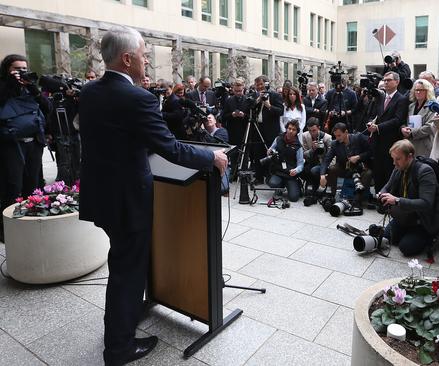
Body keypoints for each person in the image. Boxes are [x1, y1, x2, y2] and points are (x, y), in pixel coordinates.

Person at [78, 26, 228, 366]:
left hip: (103, 196)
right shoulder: (137, 97)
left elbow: (112, 139)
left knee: (123, 264)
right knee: (127, 271)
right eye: (144, 55)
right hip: (128, 200)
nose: (147, 61)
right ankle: (119, 348)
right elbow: (170, 148)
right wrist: (211, 157)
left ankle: (122, 322)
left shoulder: (89, 92)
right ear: (127, 58)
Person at [0, 54, 50, 242]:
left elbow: (47, 108)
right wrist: (11, 84)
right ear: (7, 70)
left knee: (33, 184)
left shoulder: (30, 89)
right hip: (12, 145)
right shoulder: (4, 88)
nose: (20, 72)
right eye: (16, 69)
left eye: (24, 68)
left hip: (34, 143)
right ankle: (6, 228)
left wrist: (33, 88)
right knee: (12, 186)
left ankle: (31, 221)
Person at [378, 140, 439, 256]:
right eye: (393, 159)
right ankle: (407, 233)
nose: (394, 163)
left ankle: (434, 235)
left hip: (423, 220)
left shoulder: (425, 171)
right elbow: (387, 186)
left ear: (409, 156)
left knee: (406, 248)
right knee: (386, 237)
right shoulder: (398, 168)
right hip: (405, 216)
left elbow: (426, 203)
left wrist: (397, 200)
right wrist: (382, 194)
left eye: (398, 159)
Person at [367, 71, 409, 203]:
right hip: (377, 141)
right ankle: (380, 198)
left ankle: (388, 200)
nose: (385, 82)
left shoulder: (401, 99)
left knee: (389, 171)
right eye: (384, 80)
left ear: (397, 82)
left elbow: (398, 120)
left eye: (389, 80)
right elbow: (374, 114)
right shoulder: (380, 97)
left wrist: (379, 127)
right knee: (378, 171)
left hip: (391, 141)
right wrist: (371, 122)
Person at [319, 123, 372, 199]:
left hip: (360, 167)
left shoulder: (358, 137)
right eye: (335, 136)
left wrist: (358, 157)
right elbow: (326, 160)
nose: (337, 138)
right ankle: (331, 195)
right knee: (332, 169)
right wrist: (322, 175)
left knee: (368, 173)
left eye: (339, 135)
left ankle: (358, 198)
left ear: (346, 132)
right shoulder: (335, 144)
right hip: (344, 168)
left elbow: (370, 152)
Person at [251, 75, 284, 183]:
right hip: (257, 129)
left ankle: (270, 175)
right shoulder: (255, 95)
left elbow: (280, 111)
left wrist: (269, 105)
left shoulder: (274, 95)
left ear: (266, 84)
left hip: (271, 130)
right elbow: (250, 108)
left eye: (261, 84)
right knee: (257, 153)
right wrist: (257, 100)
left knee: (270, 154)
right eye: (257, 85)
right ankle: (259, 177)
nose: (259, 87)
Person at [266, 119, 304, 202]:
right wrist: (269, 152)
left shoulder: (298, 146)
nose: (290, 131)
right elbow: (270, 150)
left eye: (293, 130)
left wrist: (296, 170)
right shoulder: (278, 139)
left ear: (296, 132)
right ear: (286, 128)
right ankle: (280, 187)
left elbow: (301, 164)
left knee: (294, 198)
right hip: (278, 171)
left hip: (290, 175)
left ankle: (294, 185)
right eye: (289, 128)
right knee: (272, 183)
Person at [401, 79, 437, 157]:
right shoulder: (411, 106)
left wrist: (411, 133)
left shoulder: (432, 106)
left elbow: (429, 127)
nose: (418, 92)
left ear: (427, 91)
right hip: (410, 144)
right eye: (416, 90)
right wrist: (403, 129)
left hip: (424, 145)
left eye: (421, 90)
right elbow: (405, 122)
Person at [300, 117, 332, 192]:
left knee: (314, 170)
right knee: (301, 170)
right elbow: (304, 154)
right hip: (310, 161)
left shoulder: (327, 138)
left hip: (323, 163)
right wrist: (312, 149)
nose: (312, 133)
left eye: (314, 130)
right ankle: (310, 185)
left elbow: (332, 155)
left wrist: (328, 167)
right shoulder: (305, 135)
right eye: (310, 130)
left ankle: (320, 185)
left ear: (319, 128)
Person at [222, 78, 252, 149]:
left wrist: (244, 115)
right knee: (233, 155)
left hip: (245, 132)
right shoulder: (229, 100)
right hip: (232, 132)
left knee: (244, 155)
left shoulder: (248, 100)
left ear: (243, 89)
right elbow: (223, 116)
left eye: (240, 91)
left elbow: (252, 116)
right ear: (233, 89)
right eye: (236, 91)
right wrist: (232, 115)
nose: (238, 93)